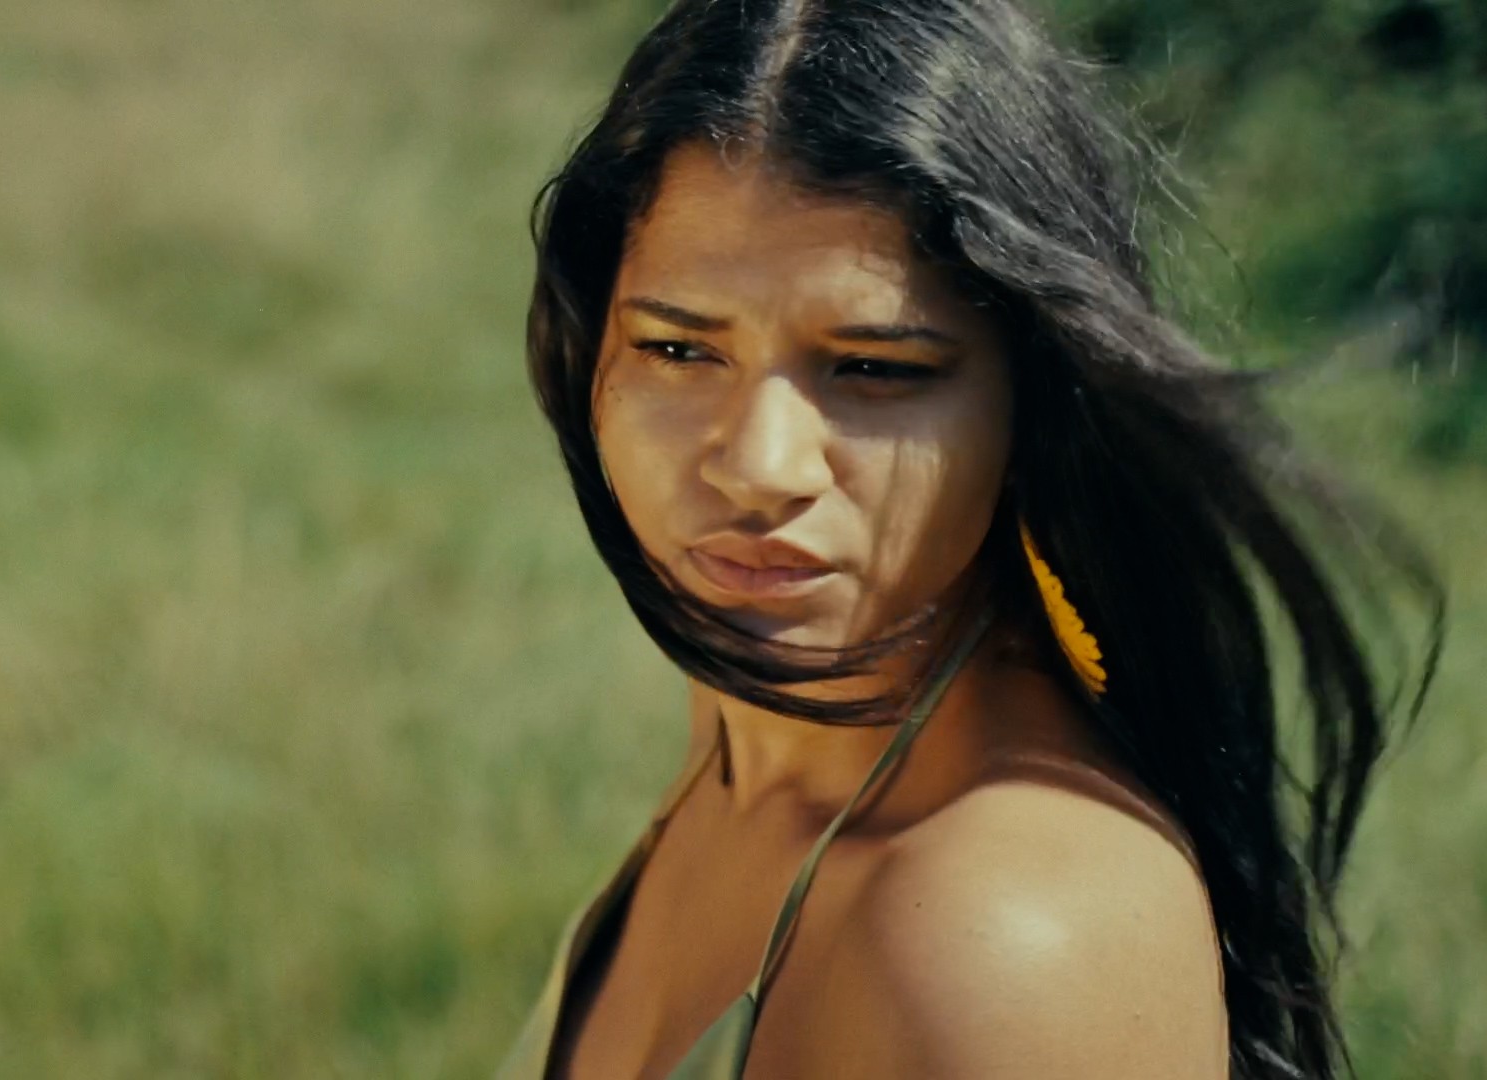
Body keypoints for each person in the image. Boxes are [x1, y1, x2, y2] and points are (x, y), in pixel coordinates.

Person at [494, 0, 1446, 1077]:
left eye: (875, 368)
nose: (760, 466)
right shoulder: (750, 739)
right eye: (677, 349)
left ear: (1033, 406)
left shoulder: (1002, 934)